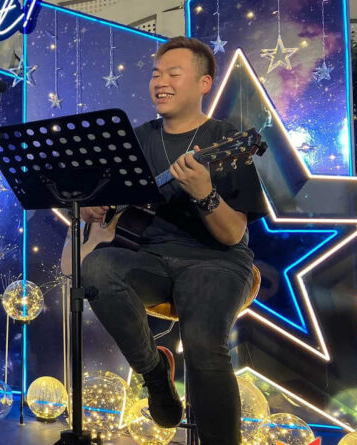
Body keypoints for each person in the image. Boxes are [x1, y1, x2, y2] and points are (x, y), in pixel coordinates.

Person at [80, 37, 267, 443]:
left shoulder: (225, 140)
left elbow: (233, 233)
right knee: (95, 267)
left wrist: (205, 193)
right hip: (150, 258)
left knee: (203, 344)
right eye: (156, 74)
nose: (160, 82)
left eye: (173, 74)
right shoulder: (136, 140)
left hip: (216, 261)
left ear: (204, 83)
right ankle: (154, 372)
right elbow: (98, 197)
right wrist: (90, 208)